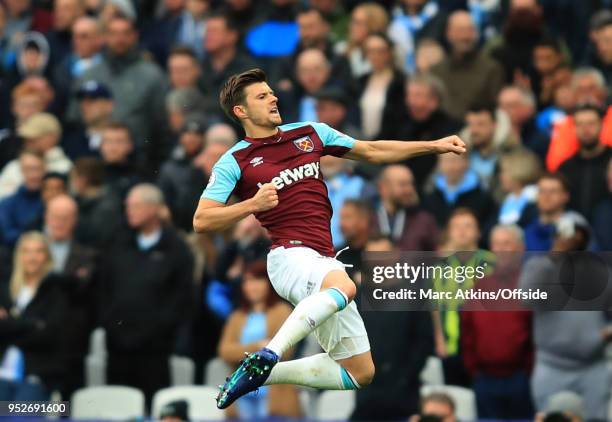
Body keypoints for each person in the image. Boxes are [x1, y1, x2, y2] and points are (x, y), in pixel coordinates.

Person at [192, 68, 466, 409]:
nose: (274, 98)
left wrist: (434, 146)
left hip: (323, 258)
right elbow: (202, 220)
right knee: (346, 286)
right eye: (262, 96)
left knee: (359, 374)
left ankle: (260, 373)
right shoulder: (234, 160)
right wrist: (252, 205)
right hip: (289, 257)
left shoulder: (311, 133)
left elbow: (372, 151)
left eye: (272, 91)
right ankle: (270, 353)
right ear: (241, 111)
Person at [96, 184, 194, 406]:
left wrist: (160, 328)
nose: (129, 211)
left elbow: (182, 296)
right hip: (117, 345)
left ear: (154, 209)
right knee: (118, 407)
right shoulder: (117, 242)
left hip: (155, 348)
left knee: (153, 405)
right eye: (128, 206)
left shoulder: (176, 248)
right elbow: (103, 287)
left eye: (136, 206)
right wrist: (110, 323)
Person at [460, 224, 534, 418]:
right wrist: (473, 368)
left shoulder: (530, 285)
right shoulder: (479, 287)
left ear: (520, 248)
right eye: (496, 244)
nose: (500, 249)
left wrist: (528, 370)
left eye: (506, 244)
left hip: (520, 378)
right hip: (484, 379)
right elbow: (467, 331)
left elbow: (538, 333)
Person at [218, 261, 301, 418]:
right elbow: (225, 351)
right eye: (247, 281)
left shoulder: (282, 311)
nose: (251, 286)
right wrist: (259, 346)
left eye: (257, 280)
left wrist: (244, 351)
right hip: (241, 390)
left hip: (274, 390)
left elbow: (287, 350)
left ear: (268, 283)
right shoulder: (237, 316)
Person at [0, 232, 67, 400]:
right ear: (19, 255)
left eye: (38, 251)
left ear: (47, 256)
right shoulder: (6, 289)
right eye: (26, 251)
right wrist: (32, 325)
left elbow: (49, 334)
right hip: (3, 372)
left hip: (37, 375)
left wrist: (9, 324)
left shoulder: (57, 290)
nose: (32, 257)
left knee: (22, 417)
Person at [430, 11, 504, 121]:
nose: (465, 36)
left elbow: (497, 110)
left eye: (470, 30)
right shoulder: (436, 71)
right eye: (460, 30)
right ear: (448, 33)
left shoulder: (491, 69)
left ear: (476, 34)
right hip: (441, 133)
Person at [558, 103, 612, 219]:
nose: (585, 129)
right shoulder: (565, 168)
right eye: (579, 124)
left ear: (602, 125)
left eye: (591, 123)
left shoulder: (610, 160)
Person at [373, 165, 439, 251]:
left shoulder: (425, 221)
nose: (410, 190)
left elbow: (436, 257)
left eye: (411, 184)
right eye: (403, 184)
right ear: (383, 188)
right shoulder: (366, 220)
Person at [356, 33, 405, 140]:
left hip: (390, 141)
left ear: (389, 52)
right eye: (370, 51)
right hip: (363, 141)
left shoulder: (401, 82)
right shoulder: (361, 81)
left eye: (380, 51)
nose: (375, 56)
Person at [0, 150, 45, 248]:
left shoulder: (52, 201)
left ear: (44, 169)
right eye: (28, 169)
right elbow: (7, 235)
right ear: (21, 171)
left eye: (37, 168)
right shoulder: (7, 203)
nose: (33, 175)